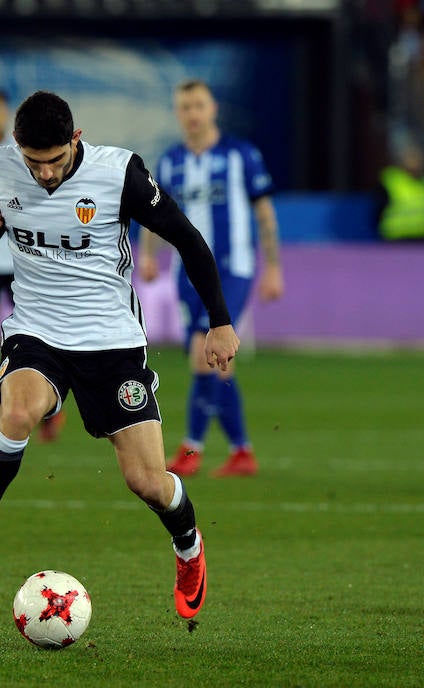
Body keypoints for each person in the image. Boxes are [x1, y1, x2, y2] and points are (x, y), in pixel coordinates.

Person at [0, 90, 240, 620]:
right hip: (37, 331)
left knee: (146, 480)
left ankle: (188, 546)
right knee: (17, 411)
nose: (43, 174)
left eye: (53, 161)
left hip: (113, 342)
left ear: (75, 140)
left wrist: (220, 321)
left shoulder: (120, 174)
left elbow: (188, 239)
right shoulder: (2, 166)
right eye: (33, 162)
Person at [137, 79, 284, 478]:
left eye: (199, 105)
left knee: (205, 352)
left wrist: (273, 267)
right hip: (187, 274)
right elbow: (154, 214)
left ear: (213, 108)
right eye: (185, 107)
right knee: (218, 362)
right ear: (178, 113)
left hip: (233, 268)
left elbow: (264, 213)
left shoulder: (241, 155)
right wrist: (148, 256)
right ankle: (241, 451)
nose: (193, 114)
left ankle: (191, 448)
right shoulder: (170, 162)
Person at [0, 86, 65, 443]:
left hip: (24, 260)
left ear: (4, 113)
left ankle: (49, 407)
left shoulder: (22, 150)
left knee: (40, 336)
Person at [376, 140, 424, 242]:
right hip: (396, 239)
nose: (415, 162)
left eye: (418, 158)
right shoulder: (391, 180)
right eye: (411, 158)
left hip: (422, 238)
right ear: (402, 160)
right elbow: (378, 208)